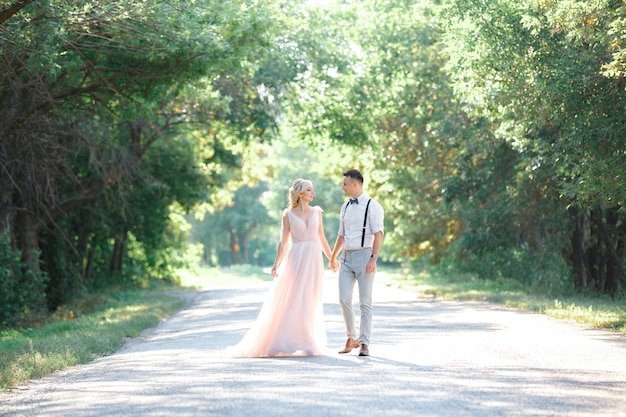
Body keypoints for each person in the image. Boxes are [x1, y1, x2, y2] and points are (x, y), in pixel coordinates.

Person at [229, 178, 333, 357]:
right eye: (309, 190)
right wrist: (276, 263)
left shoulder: (317, 212)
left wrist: (331, 258)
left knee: (310, 298)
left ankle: (308, 340)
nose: (313, 193)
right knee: (294, 297)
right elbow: (283, 241)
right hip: (296, 258)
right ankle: (284, 341)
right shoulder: (288, 214)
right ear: (300, 193)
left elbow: (322, 238)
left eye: (312, 189)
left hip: (314, 259)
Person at [329, 169, 384, 357]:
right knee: (343, 299)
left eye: (345, 183)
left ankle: (364, 343)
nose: (342, 187)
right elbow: (341, 235)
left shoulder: (372, 205)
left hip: (364, 256)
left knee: (365, 302)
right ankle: (351, 337)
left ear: (355, 184)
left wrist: (373, 258)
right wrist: (332, 256)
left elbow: (378, 234)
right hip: (346, 258)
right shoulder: (345, 207)